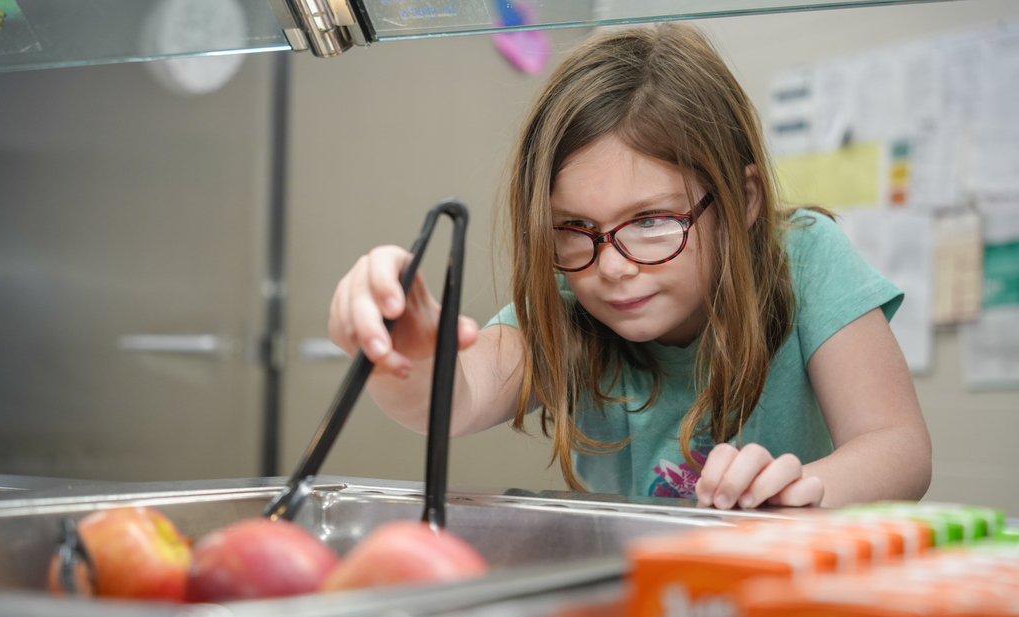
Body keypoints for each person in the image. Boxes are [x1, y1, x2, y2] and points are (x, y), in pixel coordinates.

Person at [328, 23, 931, 510]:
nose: (611, 267)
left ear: (743, 201)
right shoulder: (565, 299)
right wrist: (401, 346)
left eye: (650, 222)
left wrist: (798, 494)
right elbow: (454, 399)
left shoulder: (805, 257)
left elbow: (898, 447)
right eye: (575, 229)